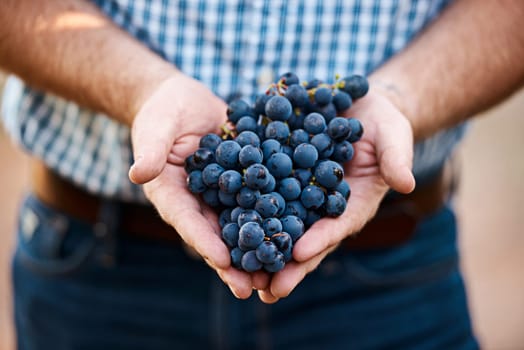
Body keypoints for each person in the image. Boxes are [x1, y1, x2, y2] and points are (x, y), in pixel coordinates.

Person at [1, 0, 523, 349]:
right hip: (94, 272)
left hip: (390, 277)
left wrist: (401, 101)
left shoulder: (290, 172)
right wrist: (142, 90)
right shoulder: (265, 177)